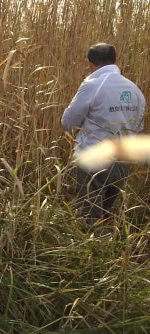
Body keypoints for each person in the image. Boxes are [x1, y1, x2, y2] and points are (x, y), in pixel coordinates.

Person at [62, 42, 145, 227]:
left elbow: (68, 122)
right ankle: (108, 252)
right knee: (107, 217)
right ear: (116, 60)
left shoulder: (92, 85)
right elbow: (138, 128)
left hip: (94, 159)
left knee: (89, 218)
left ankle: (92, 251)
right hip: (122, 163)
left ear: (90, 63)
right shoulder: (135, 90)